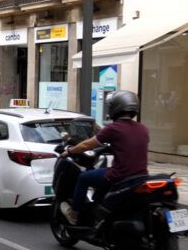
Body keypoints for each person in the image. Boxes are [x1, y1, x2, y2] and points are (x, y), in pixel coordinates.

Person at [59, 90, 148, 225]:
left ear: (115, 108)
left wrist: (70, 151)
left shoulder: (113, 128)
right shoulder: (143, 128)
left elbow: (87, 144)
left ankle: (74, 214)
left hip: (119, 176)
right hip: (140, 176)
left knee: (84, 178)